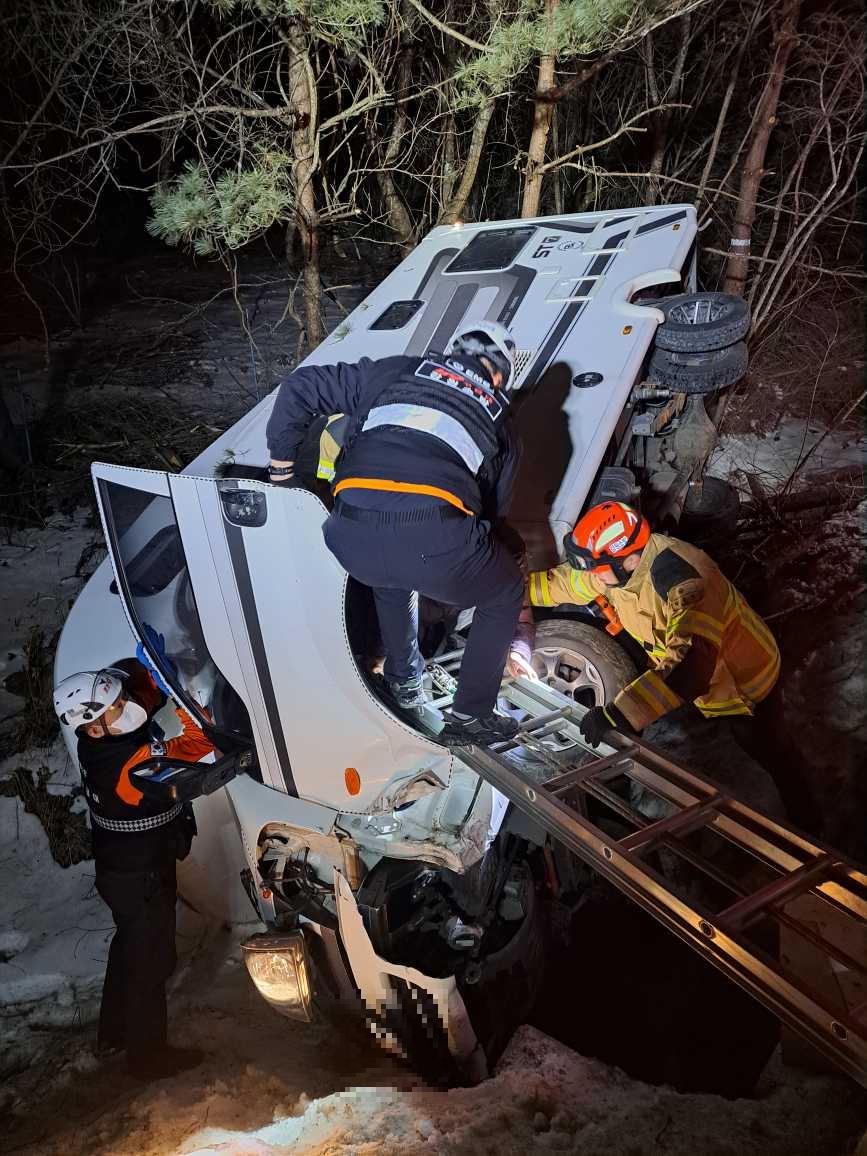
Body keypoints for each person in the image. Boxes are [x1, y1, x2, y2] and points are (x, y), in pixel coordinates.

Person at [266, 319, 526, 745]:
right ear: (499, 376)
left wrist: (281, 471)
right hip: (433, 539)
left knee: (391, 581)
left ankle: (403, 680)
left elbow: (299, 386)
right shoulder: (501, 420)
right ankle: (471, 716)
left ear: (453, 352)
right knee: (505, 591)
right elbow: (494, 515)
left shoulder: (397, 371)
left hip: (348, 536)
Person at [53, 658, 214, 1080]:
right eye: (117, 708)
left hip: (118, 865)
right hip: (140, 872)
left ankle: (114, 1033)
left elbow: (136, 682)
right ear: (93, 729)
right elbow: (199, 740)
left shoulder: (101, 738)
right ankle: (148, 1058)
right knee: (150, 960)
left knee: (129, 943)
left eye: (121, 699)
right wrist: (183, 694)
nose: (126, 706)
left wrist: (156, 668)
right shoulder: (131, 765)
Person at [511, 501, 780, 746]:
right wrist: (512, 590)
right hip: (701, 686)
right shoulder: (619, 567)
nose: (592, 574)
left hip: (747, 685)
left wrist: (621, 714)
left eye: (596, 568)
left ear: (629, 561)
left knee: (761, 749)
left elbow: (693, 665)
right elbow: (569, 582)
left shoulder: (687, 582)